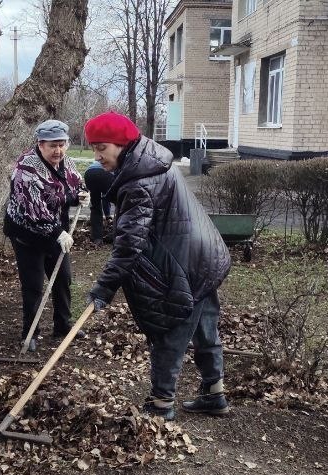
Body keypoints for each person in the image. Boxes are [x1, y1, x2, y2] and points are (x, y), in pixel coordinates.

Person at [83, 111, 231, 420]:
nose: (97, 157)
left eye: (102, 148)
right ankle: (214, 393)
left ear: (122, 144)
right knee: (204, 329)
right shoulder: (151, 158)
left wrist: (103, 288)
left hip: (186, 264)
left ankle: (161, 404)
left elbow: (128, 245)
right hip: (203, 256)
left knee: (170, 332)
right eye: (94, 148)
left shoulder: (139, 181)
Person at [4, 119, 86, 352]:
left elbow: (75, 185)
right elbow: (34, 211)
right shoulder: (26, 169)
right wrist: (58, 233)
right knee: (34, 284)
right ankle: (29, 333)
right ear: (40, 144)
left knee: (62, 278)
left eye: (62, 144)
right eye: (53, 145)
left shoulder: (65, 162)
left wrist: (81, 195)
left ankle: (63, 326)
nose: (58, 150)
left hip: (55, 229)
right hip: (27, 234)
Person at [83, 160, 116, 243]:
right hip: (105, 173)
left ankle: (97, 238)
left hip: (89, 173)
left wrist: (108, 215)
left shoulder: (101, 161)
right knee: (121, 204)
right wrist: (108, 215)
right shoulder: (114, 162)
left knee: (95, 206)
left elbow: (105, 197)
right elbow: (106, 197)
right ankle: (115, 235)